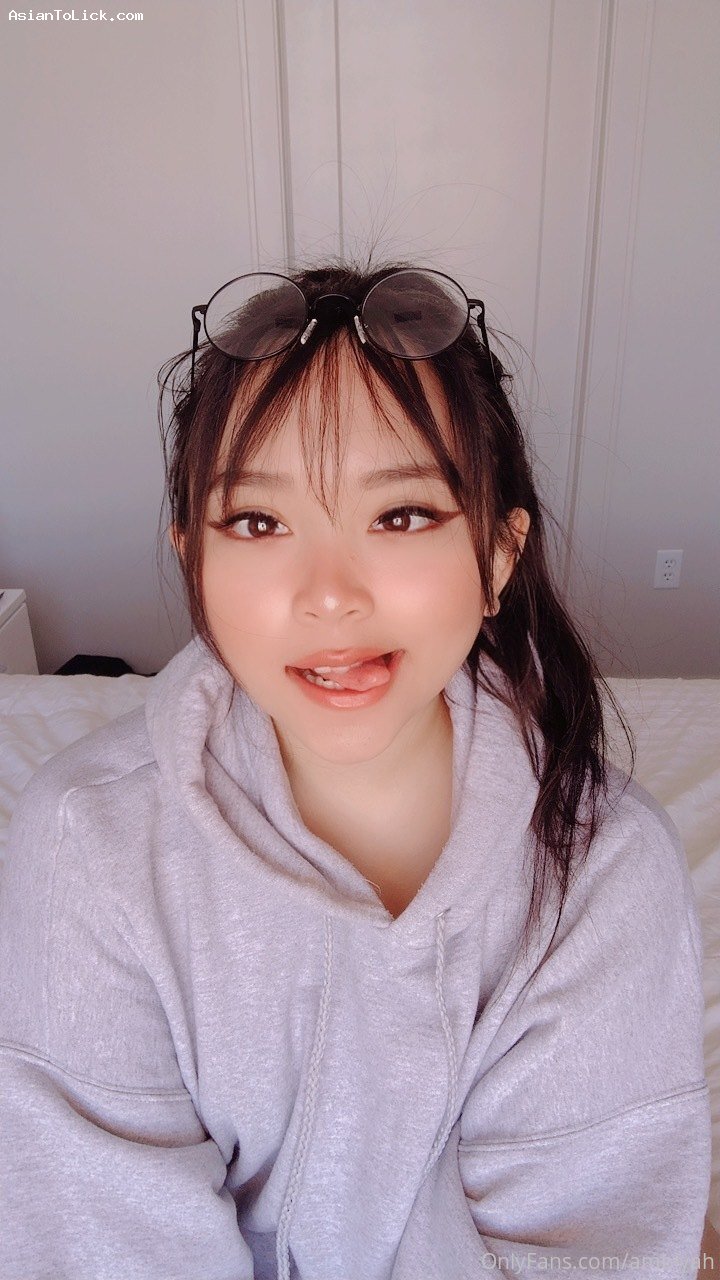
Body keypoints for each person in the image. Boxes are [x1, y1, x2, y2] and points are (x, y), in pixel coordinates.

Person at [0, 260, 711, 1279]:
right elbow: (97, 1241)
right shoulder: (88, 841)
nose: (329, 594)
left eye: (401, 515)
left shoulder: (604, 866)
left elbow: (589, 1245)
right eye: (258, 522)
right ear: (193, 557)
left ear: (499, 554)